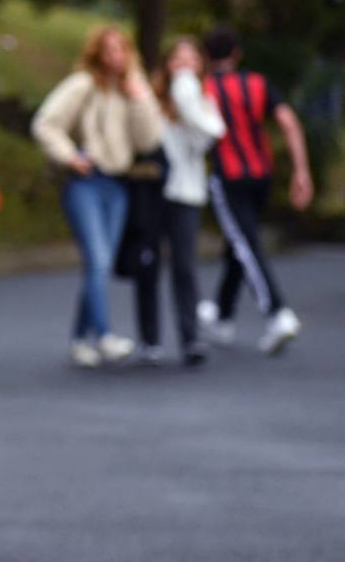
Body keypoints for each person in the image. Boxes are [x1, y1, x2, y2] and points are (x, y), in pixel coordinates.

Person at [32, 26, 163, 368]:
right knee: (100, 259)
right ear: (97, 54)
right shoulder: (83, 85)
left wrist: (141, 99)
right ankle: (103, 335)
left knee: (98, 265)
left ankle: (79, 339)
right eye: (109, 50)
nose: (115, 57)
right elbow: (45, 123)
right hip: (87, 183)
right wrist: (70, 156)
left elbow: (148, 141)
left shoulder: (133, 88)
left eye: (121, 50)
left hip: (119, 185)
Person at [197, 26, 312, 354]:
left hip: (229, 177)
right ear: (236, 54)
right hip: (261, 176)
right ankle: (222, 315)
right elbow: (289, 123)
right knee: (239, 242)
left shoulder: (204, 89)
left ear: (206, 57)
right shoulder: (258, 84)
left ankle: (277, 312)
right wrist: (301, 170)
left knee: (244, 243)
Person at [129, 38, 225, 366]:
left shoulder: (202, 103)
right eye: (177, 59)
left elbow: (208, 137)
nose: (183, 65)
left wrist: (188, 103)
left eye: (190, 60)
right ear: (167, 64)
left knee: (184, 266)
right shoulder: (150, 99)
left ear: (199, 65)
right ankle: (149, 338)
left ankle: (190, 338)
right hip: (154, 191)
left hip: (186, 193)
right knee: (148, 264)